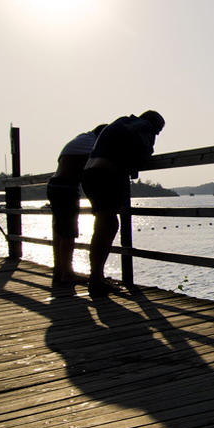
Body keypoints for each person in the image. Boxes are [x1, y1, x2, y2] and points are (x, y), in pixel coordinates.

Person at [81, 110, 165, 297]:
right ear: (154, 124)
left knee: (104, 225)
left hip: (89, 174)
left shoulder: (122, 122)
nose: (156, 135)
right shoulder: (145, 126)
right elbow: (144, 153)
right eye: (158, 131)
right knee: (107, 226)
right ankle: (96, 280)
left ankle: (96, 277)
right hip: (106, 175)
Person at [46, 124, 106, 288]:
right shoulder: (94, 143)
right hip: (66, 187)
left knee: (60, 231)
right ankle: (67, 273)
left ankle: (59, 270)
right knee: (68, 232)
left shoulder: (81, 139)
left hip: (55, 185)